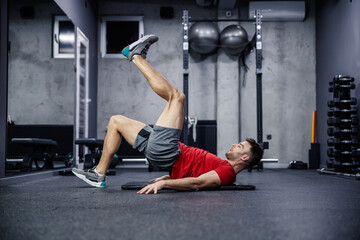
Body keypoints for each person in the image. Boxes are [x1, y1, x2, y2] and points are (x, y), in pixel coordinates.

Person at [72, 35, 264, 194]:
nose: (234, 144)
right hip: (167, 151)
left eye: (239, 146)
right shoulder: (222, 165)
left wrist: (164, 184)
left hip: (167, 151)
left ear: (245, 158)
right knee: (116, 121)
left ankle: (136, 56)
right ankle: (99, 173)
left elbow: (197, 183)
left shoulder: (227, 172)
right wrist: (169, 176)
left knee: (177, 97)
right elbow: (193, 172)